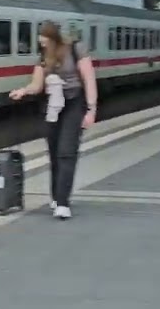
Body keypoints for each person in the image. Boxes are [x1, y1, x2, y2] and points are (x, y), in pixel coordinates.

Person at [9, 21, 97, 219]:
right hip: (51, 107)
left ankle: (64, 203)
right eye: (41, 42)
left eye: (45, 41)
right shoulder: (43, 56)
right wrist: (23, 91)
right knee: (55, 153)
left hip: (74, 104)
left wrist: (91, 109)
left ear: (54, 38)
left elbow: (89, 79)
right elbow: (37, 84)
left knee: (67, 152)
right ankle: (57, 196)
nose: (42, 45)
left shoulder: (76, 49)